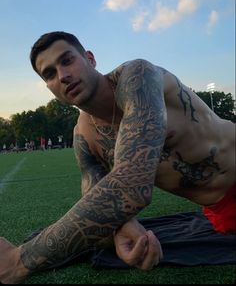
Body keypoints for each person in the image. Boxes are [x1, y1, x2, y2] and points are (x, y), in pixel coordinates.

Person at [0, 31, 235, 284]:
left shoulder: (137, 78)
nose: (63, 75)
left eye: (67, 60)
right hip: (220, 211)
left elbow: (131, 187)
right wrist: (123, 226)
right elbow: (97, 208)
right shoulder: (83, 137)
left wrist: (19, 260)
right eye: (50, 74)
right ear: (49, 88)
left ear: (90, 59)